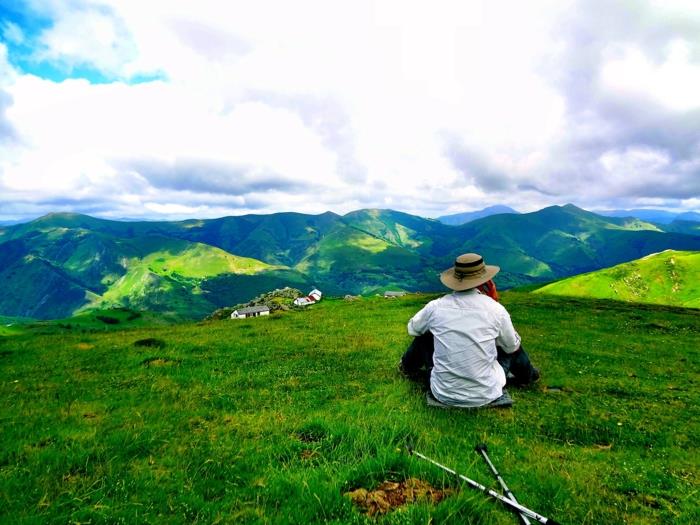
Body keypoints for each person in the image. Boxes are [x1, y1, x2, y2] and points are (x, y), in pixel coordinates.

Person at [399, 253, 539, 408]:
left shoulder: (435, 307)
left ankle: (406, 367)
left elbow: (413, 329)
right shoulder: (495, 310)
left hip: (443, 392)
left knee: (423, 337)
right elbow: (512, 347)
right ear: (486, 280)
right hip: (486, 393)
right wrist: (493, 301)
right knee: (511, 343)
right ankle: (528, 376)